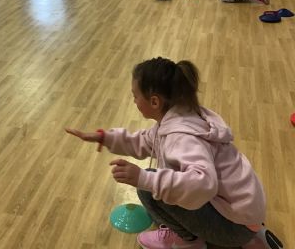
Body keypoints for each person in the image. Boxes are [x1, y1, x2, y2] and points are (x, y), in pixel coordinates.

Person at [65, 57, 282, 249]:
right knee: (157, 181)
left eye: (135, 96)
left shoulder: (181, 137)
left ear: (154, 101)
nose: (134, 101)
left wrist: (143, 178)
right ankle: (252, 237)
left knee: (147, 189)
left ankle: (188, 241)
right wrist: (104, 138)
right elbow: (144, 141)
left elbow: (203, 183)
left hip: (235, 227)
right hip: (246, 214)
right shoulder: (181, 116)